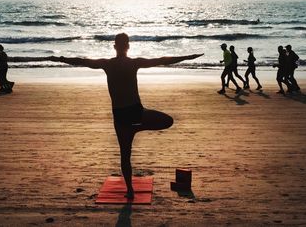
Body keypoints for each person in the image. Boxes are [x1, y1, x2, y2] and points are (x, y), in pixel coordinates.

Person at [48, 33, 203, 199]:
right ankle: (138, 129)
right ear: (128, 46)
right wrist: (188, 56)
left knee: (125, 155)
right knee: (168, 121)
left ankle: (130, 190)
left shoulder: (107, 64)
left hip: (121, 117)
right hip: (136, 113)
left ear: (115, 47)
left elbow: (82, 61)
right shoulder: (133, 63)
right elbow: (162, 59)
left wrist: (61, 59)